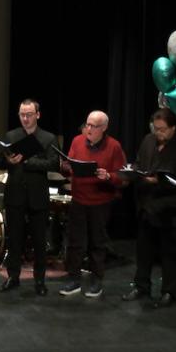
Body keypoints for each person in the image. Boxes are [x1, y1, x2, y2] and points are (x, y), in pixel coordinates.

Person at [123, 108, 176, 307]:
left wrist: (156, 180)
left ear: (173, 128)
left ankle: (169, 291)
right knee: (143, 250)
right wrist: (133, 171)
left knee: (170, 253)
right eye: (156, 129)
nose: (159, 133)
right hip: (147, 205)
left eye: (163, 130)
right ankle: (141, 285)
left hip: (169, 209)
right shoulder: (148, 140)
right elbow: (139, 163)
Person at [59, 110, 127, 298]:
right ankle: (73, 279)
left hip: (100, 202)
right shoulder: (77, 141)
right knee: (75, 242)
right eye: (87, 124)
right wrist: (65, 166)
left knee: (98, 243)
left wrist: (109, 176)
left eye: (94, 126)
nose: (88, 129)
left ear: (104, 128)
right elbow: (69, 164)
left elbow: (123, 177)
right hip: (79, 198)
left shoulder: (114, 147)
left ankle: (97, 280)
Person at [0, 99, 59, 296]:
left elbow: (53, 164)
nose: (25, 118)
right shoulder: (11, 135)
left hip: (37, 196)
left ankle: (39, 280)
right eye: (22, 114)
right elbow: (0, 163)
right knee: (14, 239)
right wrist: (7, 160)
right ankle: (13, 277)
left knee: (39, 241)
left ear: (37, 115)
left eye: (29, 114)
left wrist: (27, 161)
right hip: (15, 194)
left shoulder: (48, 138)